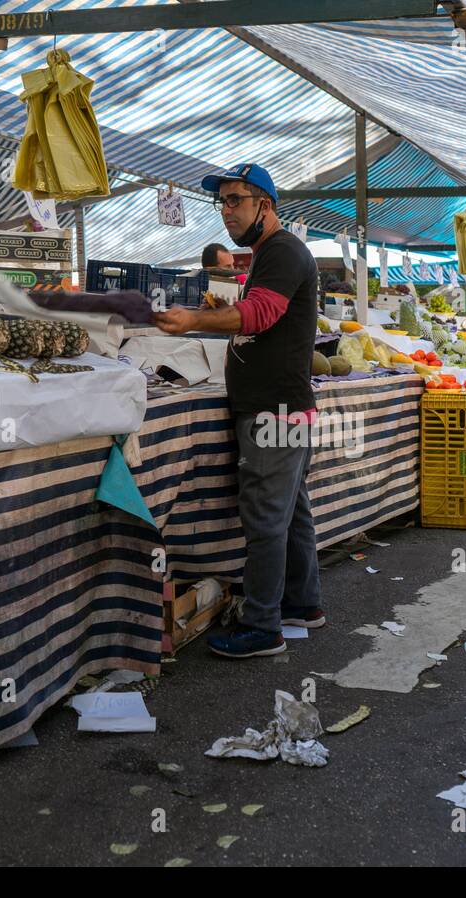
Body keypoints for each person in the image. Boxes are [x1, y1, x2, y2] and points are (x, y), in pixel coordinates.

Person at [154, 163, 322, 658]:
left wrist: (193, 321)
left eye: (235, 201)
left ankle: (263, 626)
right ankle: (302, 604)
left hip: (274, 409)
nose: (225, 212)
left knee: (266, 519)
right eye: (221, 202)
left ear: (264, 206)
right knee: (291, 515)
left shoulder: (284, 251)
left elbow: (260, 314)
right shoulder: (267, 253)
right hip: (281, 408)